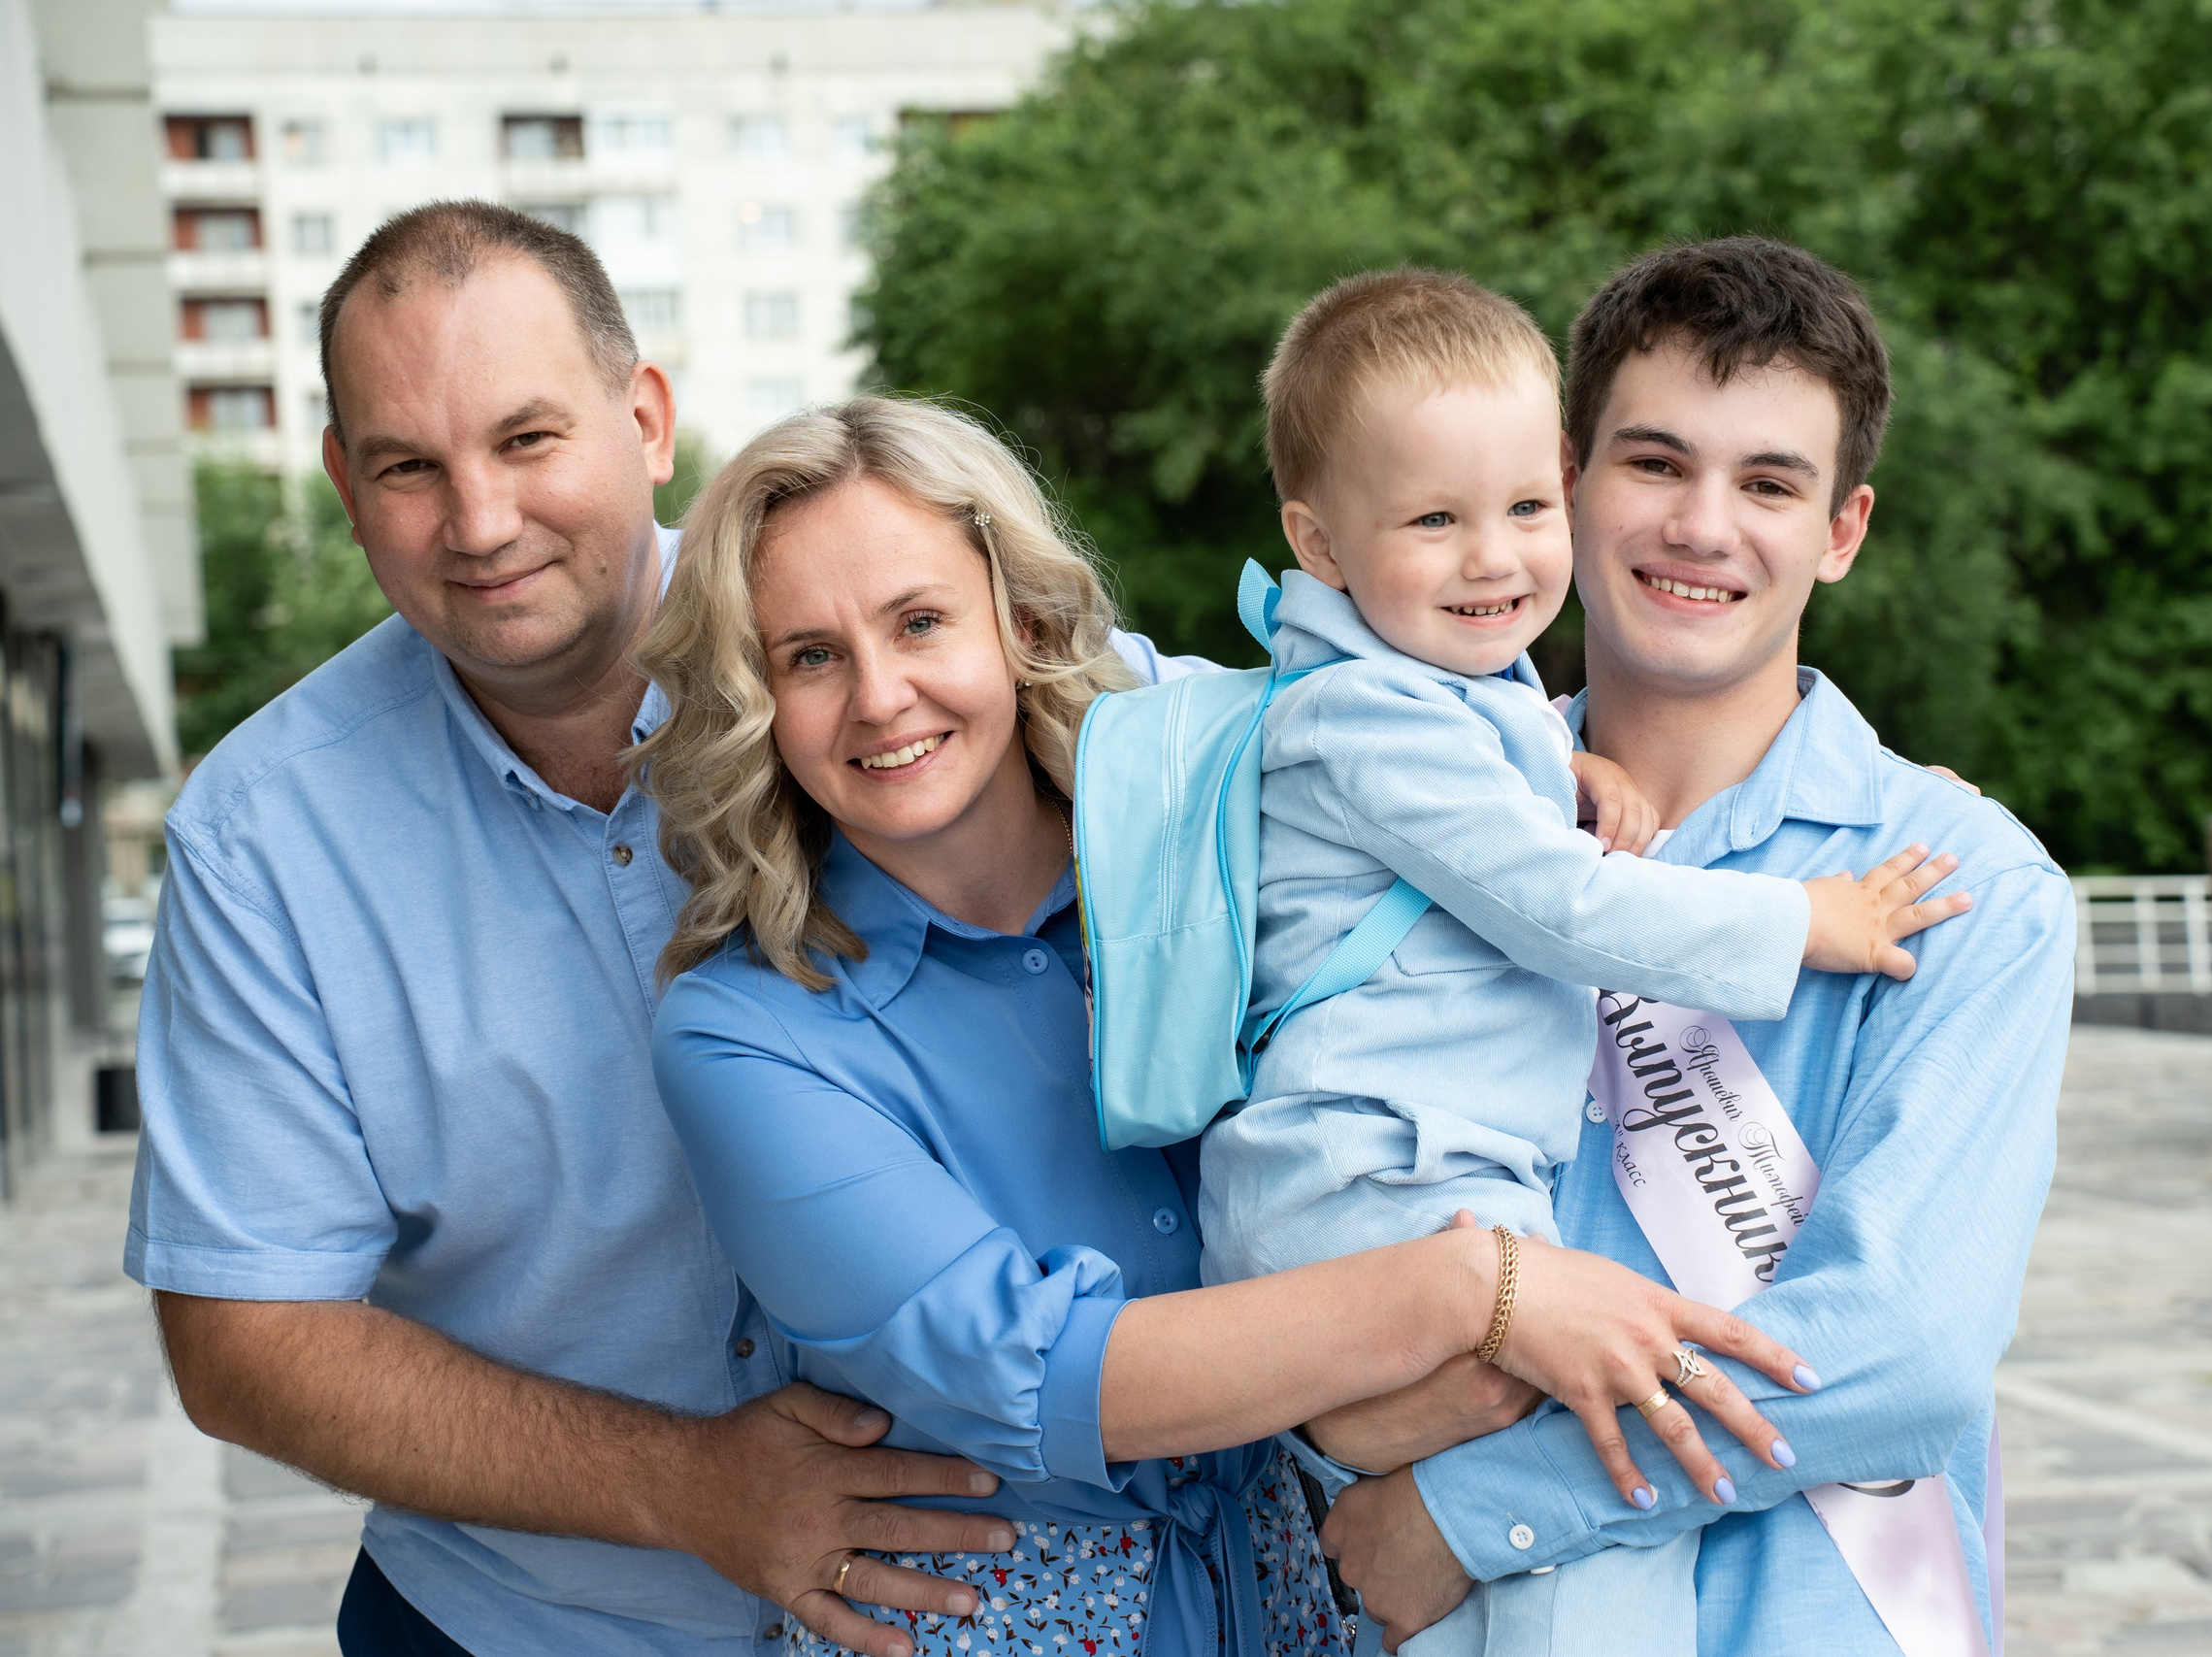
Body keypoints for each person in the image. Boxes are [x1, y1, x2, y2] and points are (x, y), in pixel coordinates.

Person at [635, 397, 1824, 1657]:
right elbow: (1037, 1376)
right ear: (751, 696)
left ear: (1020, 622)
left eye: (922, 621)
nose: (882, 696)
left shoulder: (1232, 801)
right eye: (808, 656)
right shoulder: (745, 1037)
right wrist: (1472, 1288)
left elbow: (1433, 746)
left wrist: (1553, 769)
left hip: (1334, 1596)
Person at [122, 202, 1106, 1657]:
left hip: (1012, 1605)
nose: (479, 523)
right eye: (408, 467)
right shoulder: (263, 837)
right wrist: (695, 1488)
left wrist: (1560, 772)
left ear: (644, 417)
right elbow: (246, 1337)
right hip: (529, 1624)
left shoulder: (881, 645)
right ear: (344, 482)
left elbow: (1252, 762)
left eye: (527, 440)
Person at [1310, 236, 2075, 1656]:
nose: (1701, 525)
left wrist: (1480, 1508)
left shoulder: (1965, 883)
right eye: (1654, 463)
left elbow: (1901, 1351)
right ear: (1567, 475)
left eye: (1770, 483)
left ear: (1842, 532)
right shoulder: (1384, 810)